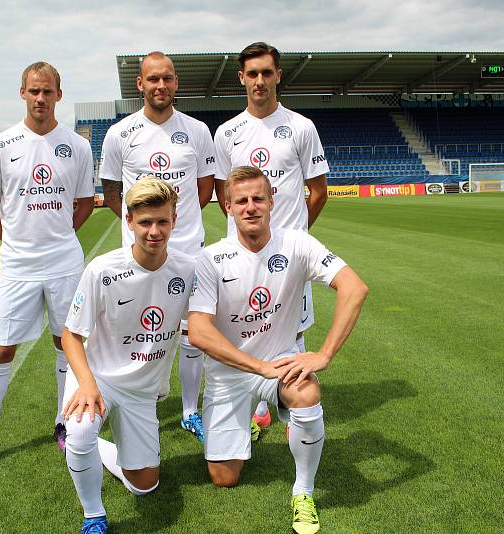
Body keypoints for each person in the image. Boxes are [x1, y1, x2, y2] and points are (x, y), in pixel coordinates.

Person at [188, 166, 368, 534]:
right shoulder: (210, 259)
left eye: (258, 198)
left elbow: (355, 288)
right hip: (228, 374)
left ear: (273, 201)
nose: (250, 207)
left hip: (279, 363)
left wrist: (324, 354)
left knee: (305, 390)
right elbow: (199, 332)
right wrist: (257, 366)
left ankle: (303, 491)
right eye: (241, 201)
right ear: (227, 207)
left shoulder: (297, 243)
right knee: (224, 478)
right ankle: (253, 427)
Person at [0, 61, 95, 480]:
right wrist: (15, 239)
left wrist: (58, 236)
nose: (41, 98)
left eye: (48, 91)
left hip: (64, 263)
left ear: (59, 94)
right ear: (22, 92)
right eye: (33, 91)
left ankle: (61, 421)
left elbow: (86, 202)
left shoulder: (76, 146)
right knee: (1, 350)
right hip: (17, 265)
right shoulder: (1, 145)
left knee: (66, 343)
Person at [61, 177, 195, 533]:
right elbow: (70, 336)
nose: (154, 231)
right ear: (129, 221)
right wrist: (87, 384)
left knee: (145, 484)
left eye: (162, 221)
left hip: (141, 391)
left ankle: (103, 449)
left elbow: (206, 325)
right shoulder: (102, 270)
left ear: (175, 221)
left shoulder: (188, 270)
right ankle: (93, 515)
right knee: (80, 430)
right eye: (146, 222)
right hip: (99, 378)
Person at [213, 42, 331, 436]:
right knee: (240, 327)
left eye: (267, 72)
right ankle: (250, 403)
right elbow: (222, 194)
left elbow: (318, 191)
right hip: (241, 259)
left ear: (278, 75)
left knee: (291, 332)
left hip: (287, 260)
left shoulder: (301, 127)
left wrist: (293, 238)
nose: (260, 80)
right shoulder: (227, 132)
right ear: (241, 78)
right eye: (253, 73)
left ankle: (291, 401)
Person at [100, 51, 216, 443]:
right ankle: (134, 401)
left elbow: (205, 187)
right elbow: (112, 190)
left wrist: (174, 228)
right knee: (134, 329)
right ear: (141, 84)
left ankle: (188, 411)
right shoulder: (120, 134)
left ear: (176, 82)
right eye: (153, 79)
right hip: (138, 255)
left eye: (167, 78)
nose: (160, 86)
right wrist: (141, 231)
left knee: (191, 332)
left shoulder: (198, 130)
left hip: (188, 250)